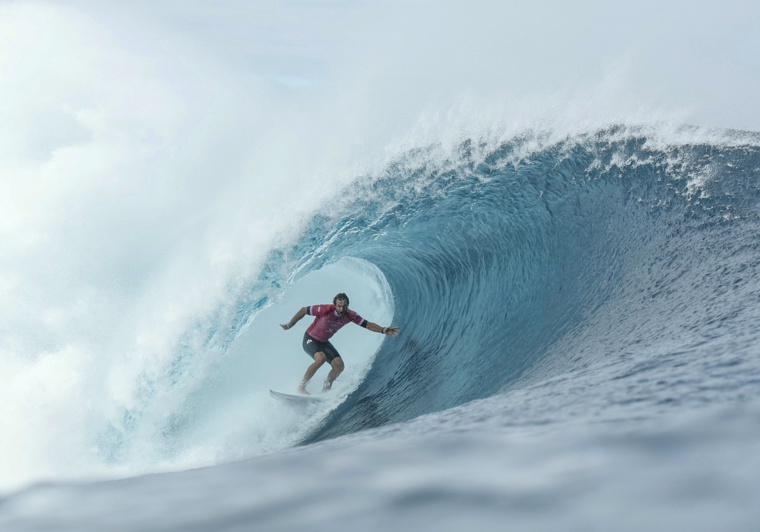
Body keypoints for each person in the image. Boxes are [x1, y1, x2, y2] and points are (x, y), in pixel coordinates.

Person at [280, 292, 399, 394]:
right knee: (320, 359)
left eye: (344, 306)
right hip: (310, 339)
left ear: (348, 305)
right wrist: (290, 325)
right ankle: (301, 387)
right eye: (339, 306)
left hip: (324, 342)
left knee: (339, 366)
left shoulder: (351, 315)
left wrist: (383, 330)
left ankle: (326, 389)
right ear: (335, 305)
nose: (342, 309)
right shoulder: (325, 309)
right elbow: (304, 310)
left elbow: (367, 324)